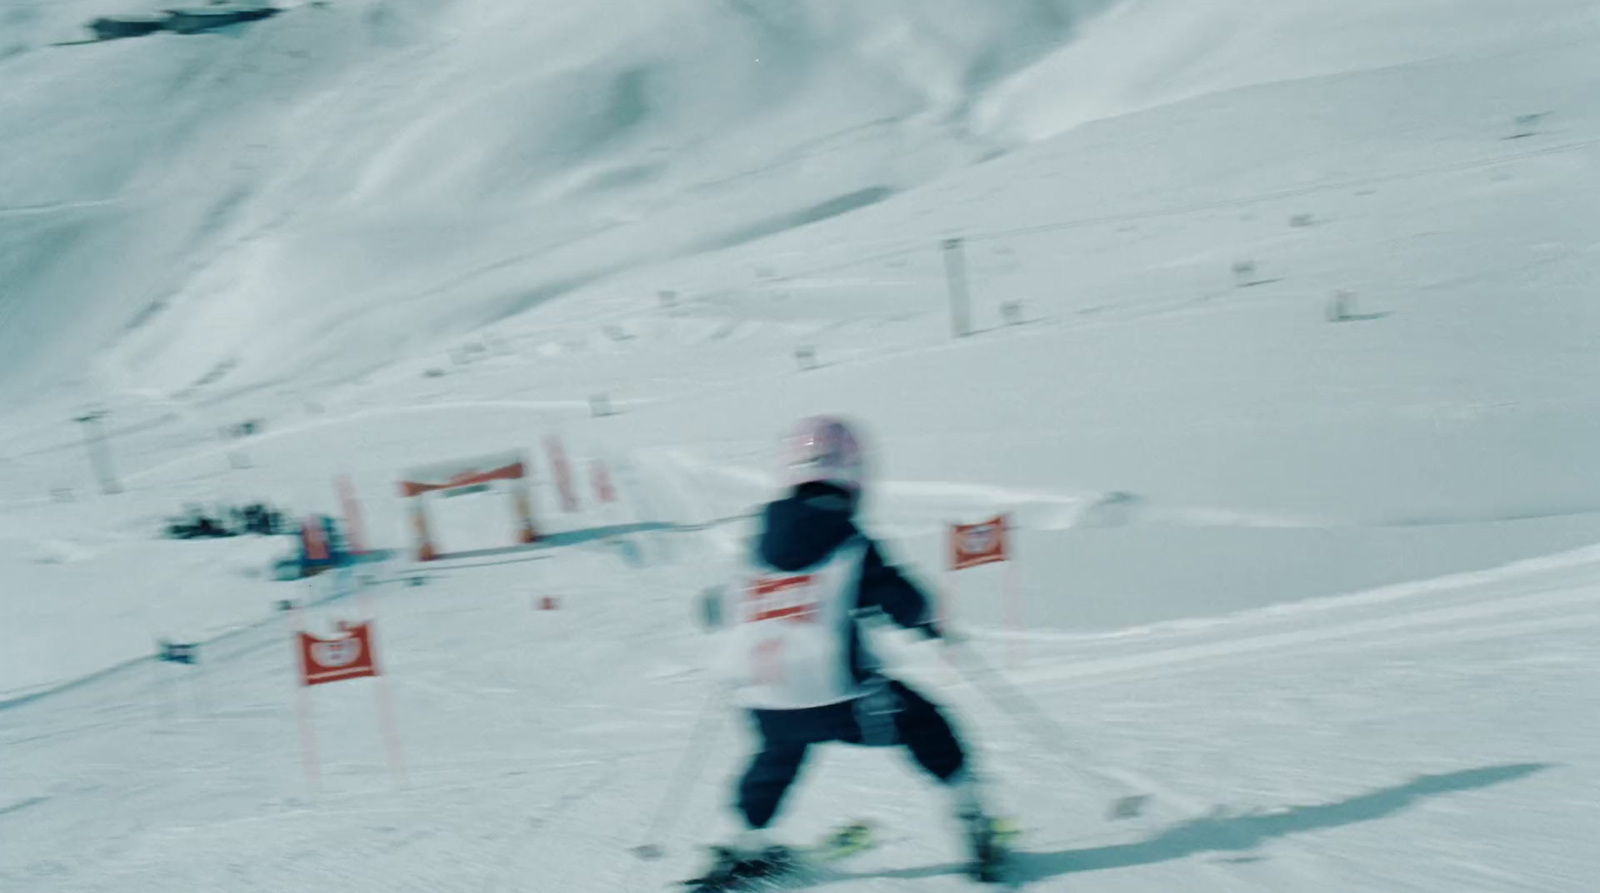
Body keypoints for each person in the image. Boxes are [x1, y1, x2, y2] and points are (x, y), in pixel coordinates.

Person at [697, 416, 1006, 886]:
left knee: (776, 757)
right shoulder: (848, 539)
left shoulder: (755, 546)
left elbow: (720, 605)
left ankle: (735, 846)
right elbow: (899, 598)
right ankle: (973, 818)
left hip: (764, 698)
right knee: (928, 726)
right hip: (846, 699)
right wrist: (930, 622)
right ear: (854, 474)